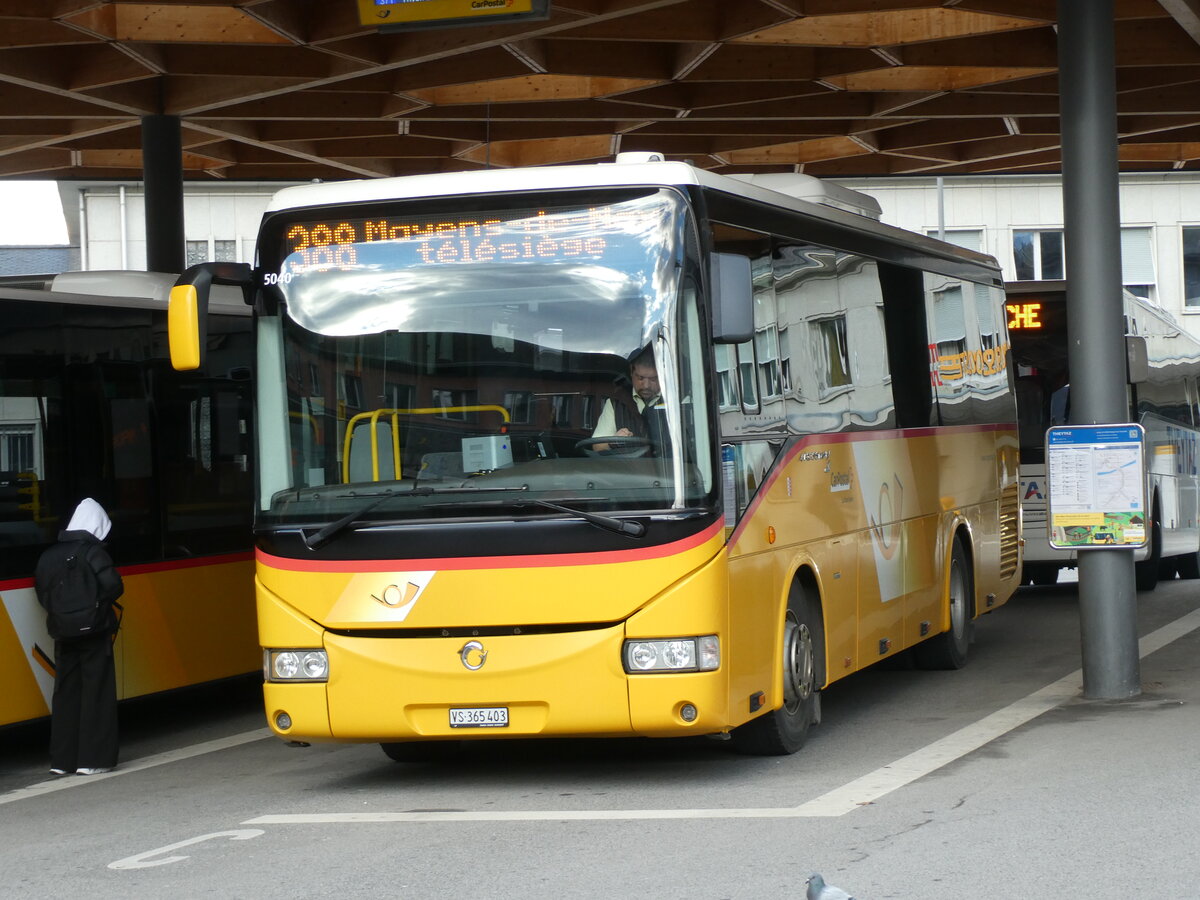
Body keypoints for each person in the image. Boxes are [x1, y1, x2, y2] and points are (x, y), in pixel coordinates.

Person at [35, 498, 123, 776]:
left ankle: (62, 761)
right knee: (96, 691)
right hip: (94, 630)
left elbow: (42, 593)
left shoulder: (48, 556)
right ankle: (92, 759)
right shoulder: (93, 553)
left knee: (65, 692)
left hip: (62, 632)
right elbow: (113, 587)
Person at [591, 347, 665, 451]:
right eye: (640, 378)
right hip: (627, 466)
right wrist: (613, 442)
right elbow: (597, 446)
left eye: (653, 379)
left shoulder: (677, 401)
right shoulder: (616, 402)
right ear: (631, 372)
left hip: (669, 466)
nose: (646, 385)